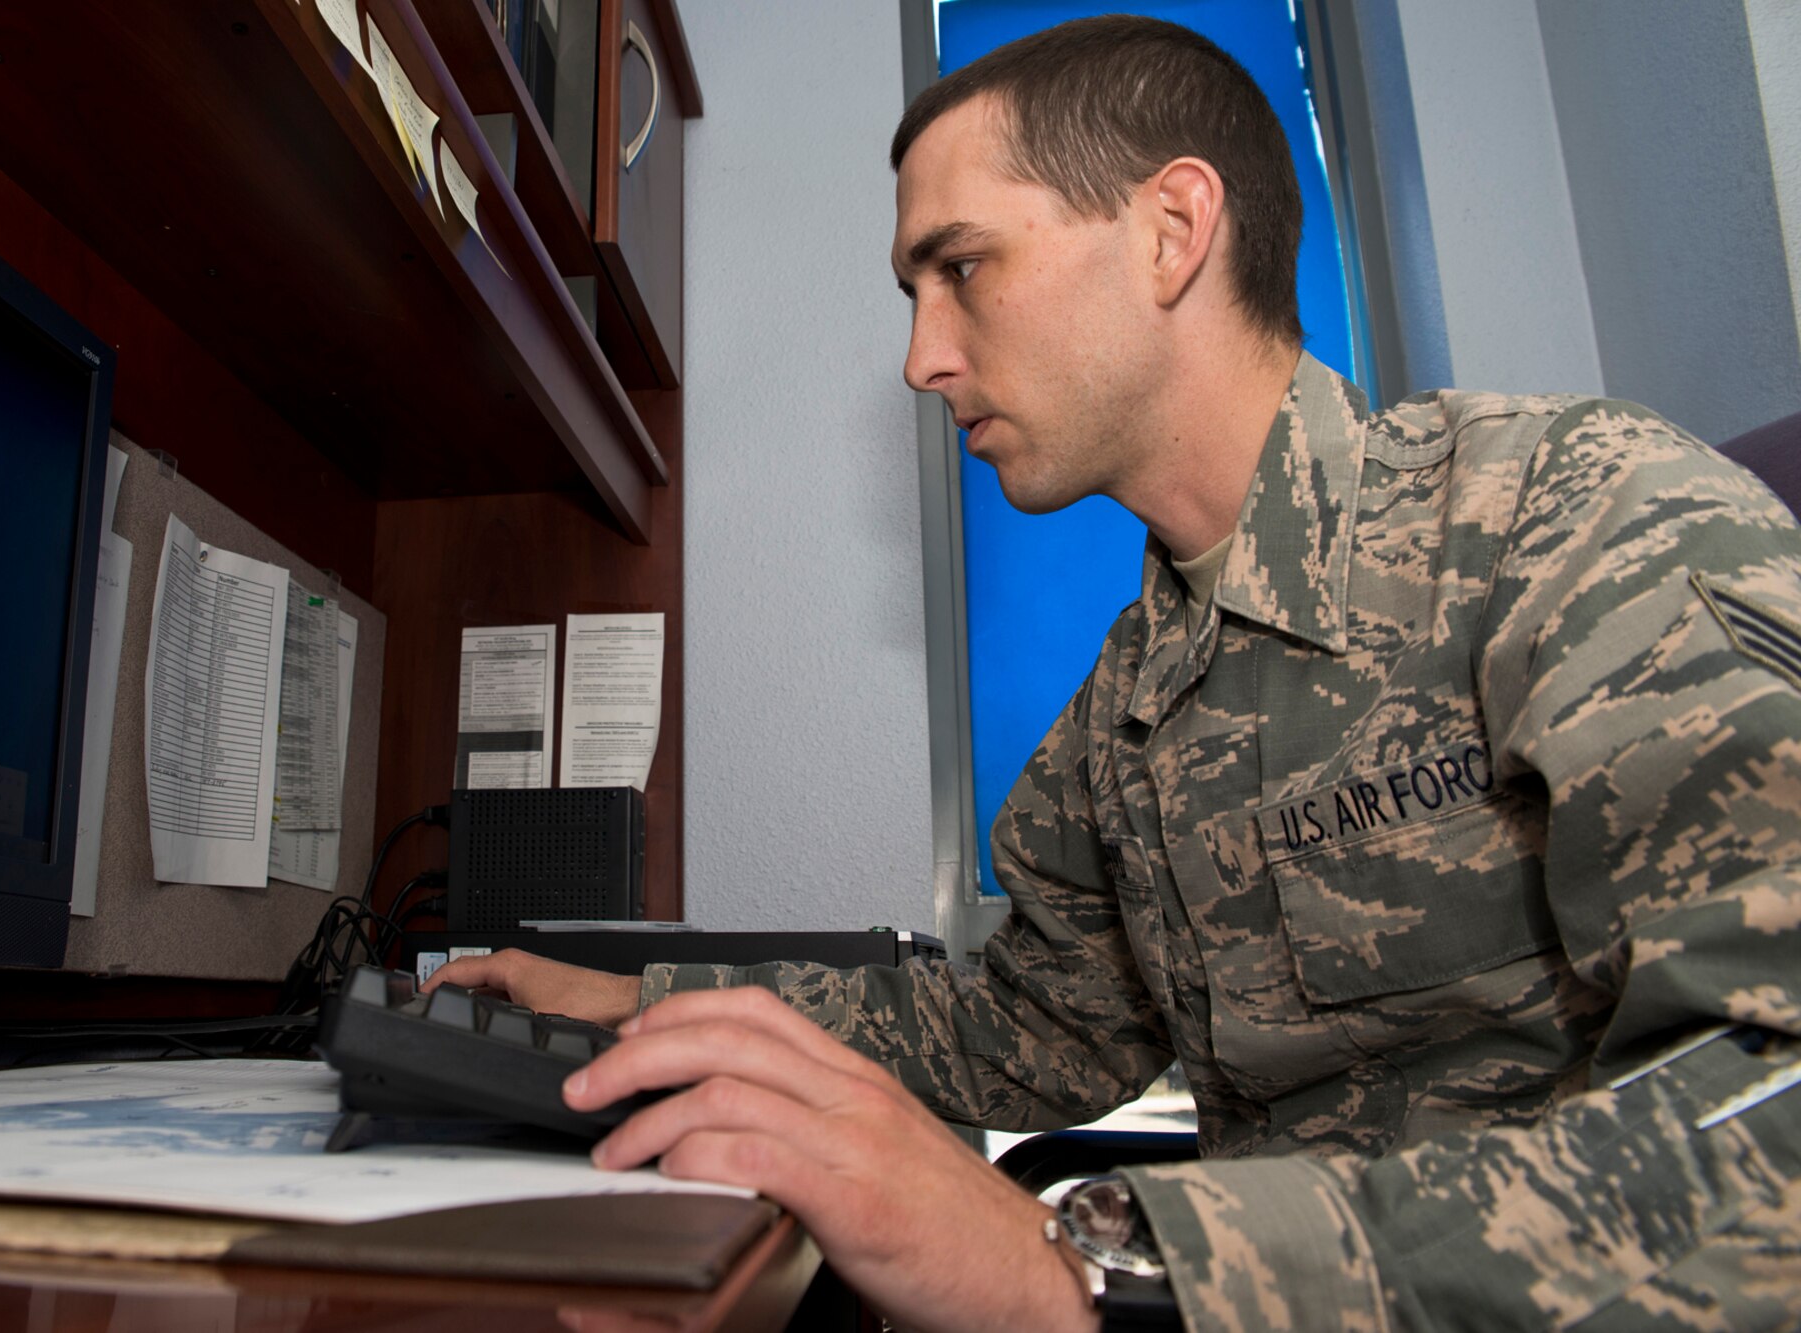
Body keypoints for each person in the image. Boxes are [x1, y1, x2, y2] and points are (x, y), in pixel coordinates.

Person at [429, 16, 1801, 1331]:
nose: (922, 357)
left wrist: (1090, 1272)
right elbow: (1023, 1029)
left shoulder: (1572, 523)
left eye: (960, 266)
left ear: (1172, 230)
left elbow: (1773, 1113)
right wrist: (646, 1006)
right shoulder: (1127, 714)